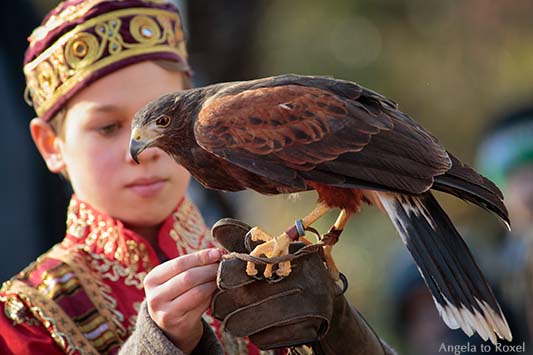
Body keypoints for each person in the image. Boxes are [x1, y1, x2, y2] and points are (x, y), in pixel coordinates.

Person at [0, 1, 395, 354]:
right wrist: (157, 346)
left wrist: (339, 332)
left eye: (165, 124)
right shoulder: (24, 318)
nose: (141, 156)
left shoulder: (264, 260)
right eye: (107, 127)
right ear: (51, 144)